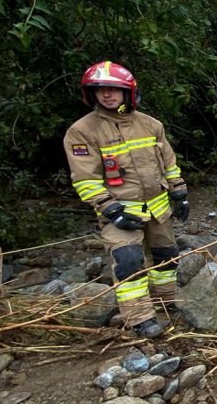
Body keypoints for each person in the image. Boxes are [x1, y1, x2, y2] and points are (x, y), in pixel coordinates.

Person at [63, 61, 189, 338]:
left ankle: (166, 302)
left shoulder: (151, 125)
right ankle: (140, 317)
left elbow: (168, 163)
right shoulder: (82, 131)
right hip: (118, 214)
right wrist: (111, 209)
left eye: (114, 89)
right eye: (101, 90)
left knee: (166, 257)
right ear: (91, 94)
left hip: (158, 209)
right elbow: (85, 178)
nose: (107, 95)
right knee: (129, 261)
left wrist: (179, 191)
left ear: (128, 92)